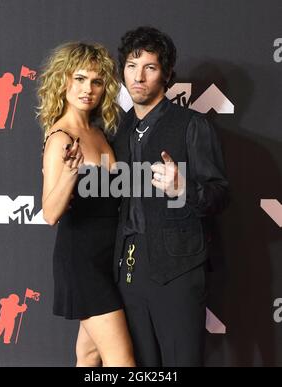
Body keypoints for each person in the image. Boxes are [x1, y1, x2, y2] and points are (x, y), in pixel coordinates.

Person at [112, 26, 229, 367]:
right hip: (128, 270)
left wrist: (183, 188)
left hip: (178, 270)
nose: (139, 76)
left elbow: (220, 195)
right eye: (132, 66)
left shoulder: (192, 125)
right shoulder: (117, 130)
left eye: (149, 67)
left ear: (165, 74)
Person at [37, 42, 135, 367]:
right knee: (122, 363)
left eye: (95, 81)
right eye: (79, 79)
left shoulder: (98, 133)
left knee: (89, 355)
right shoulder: (60, 138)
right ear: (63, 81)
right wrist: (69, 174)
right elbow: (50, 213)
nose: (87, 89)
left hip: (108, 258)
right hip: (81, 262)